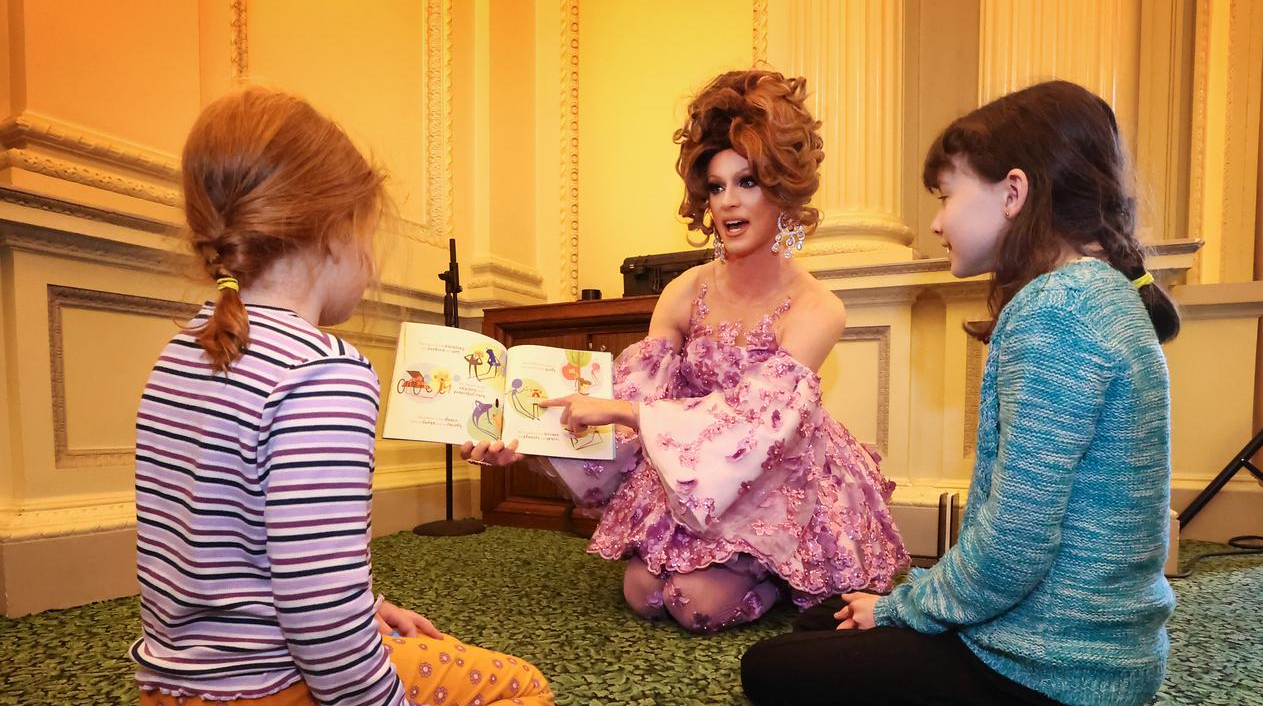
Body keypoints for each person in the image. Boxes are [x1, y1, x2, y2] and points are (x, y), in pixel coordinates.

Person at [740, 80, 1180, 706]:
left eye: (946, 195)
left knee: (769, 667)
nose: (937, 221)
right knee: (828, 619)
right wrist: (906, 601)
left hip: (1051, 672)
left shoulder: (1058, 310)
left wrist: (901, 610)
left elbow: (1015, 547)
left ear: (1013, 192)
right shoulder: (1102, 294)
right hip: (1097, 655)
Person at [131, 88, 554, 706]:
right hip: (273, 691)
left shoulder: (185, 350)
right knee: (522, 687)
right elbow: (319, 616)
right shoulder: (325, 372)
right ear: (335, 231)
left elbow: (229, 543)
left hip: (173, 689)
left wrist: (372, 606)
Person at [464, 70, 909, 634]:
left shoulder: (818, 306)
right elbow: (631, 397)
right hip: (685, 475)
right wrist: (525, 441)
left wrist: (627, 414)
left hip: (774, 475)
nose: (728, 203)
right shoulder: (685, 290)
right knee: (645, 591)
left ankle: (778, 572)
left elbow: (758, 429)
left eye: (747, 181)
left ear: (782, 191)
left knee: (695, 604)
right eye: (716, 187)